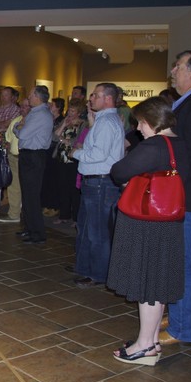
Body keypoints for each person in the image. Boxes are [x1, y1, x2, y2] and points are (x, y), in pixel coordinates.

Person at [107, 97, 189, 366]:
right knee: (158, 282)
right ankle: (151, 340)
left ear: (153, 121)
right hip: (169, 223)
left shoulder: (153, 146)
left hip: (147, 223)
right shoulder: (180, 144)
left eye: (141, 122)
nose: (138, 128)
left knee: (147, 284)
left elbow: (119, 172)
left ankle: (143, 346)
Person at [160, 50, 191, 347]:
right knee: (176, 261)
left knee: (180, 263)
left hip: (185, 195)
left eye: (177, 67)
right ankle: (178, 316)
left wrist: (170, 178)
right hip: (183, 193)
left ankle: (181, 328)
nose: (173, 72)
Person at [69, 83, 125, 287]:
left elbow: (99, 155)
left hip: (101, 182)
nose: (90, 98)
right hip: (94, 182)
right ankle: (85, 266)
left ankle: (98, 273)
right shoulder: (102, 121)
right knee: (85, 227)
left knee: (97, 231)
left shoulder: (107, 122)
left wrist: (75, 153)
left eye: (95, 95)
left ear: (108, 99)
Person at [14, 85, 53, 244]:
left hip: (33, 156)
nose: (28, 97)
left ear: (37, 96)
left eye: (30, 95)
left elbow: (22, 133)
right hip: (30, 156)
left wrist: (17, 128)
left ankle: (37, 233)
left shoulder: (40, 114)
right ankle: (29, 229)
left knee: (32, 196)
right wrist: (20, 128)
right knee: (27, 195)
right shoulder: (37, 113)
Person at [53, 100, 86, 224]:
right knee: (62, 187)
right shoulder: (65, 122)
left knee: (74, 189)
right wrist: (63, 125)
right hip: (61, 157)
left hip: (73, 159)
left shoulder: (83, 124)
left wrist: (65, 141)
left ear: (79, 112)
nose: (70, 113)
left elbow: (78, 141)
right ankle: (64, 214)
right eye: (69, 110)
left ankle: (76, 217)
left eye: (73, 111)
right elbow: (55, 136)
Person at [0, 98, 29, 224]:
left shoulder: (33, 121)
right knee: (13, 187)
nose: (23, 109)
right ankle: (14, 213)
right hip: (14, 157)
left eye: (26, 106)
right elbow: (8, 138)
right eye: (21, 106)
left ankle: (27, 215)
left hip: (27, 158)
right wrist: (6, 144)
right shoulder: (16, 120)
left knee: (27, 188)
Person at [42, 97, 65, 217]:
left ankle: (54, 206)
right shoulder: (49, 118)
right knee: (46, 179)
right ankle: (46, 203)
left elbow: (56, 136)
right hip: (47, 150)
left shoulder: (62, 120)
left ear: (58, 108)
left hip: (55, 152)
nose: (50, 106)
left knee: (53, 179)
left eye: (52, 105)